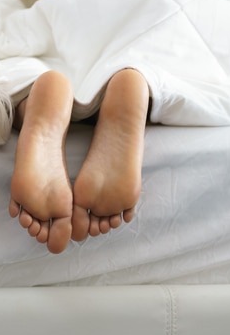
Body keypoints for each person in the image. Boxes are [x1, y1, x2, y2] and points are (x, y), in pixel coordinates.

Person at [8, 68, 150, 254]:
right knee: (136, 73)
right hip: (103, 63)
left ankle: (31, 109)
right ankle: (119, 102)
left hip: (39, 72)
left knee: (11, 95)